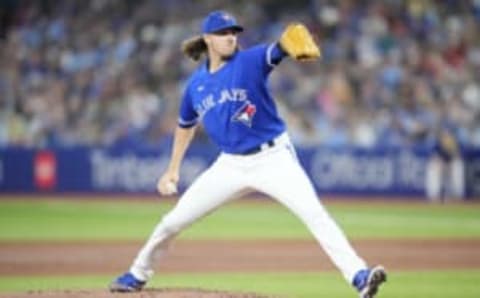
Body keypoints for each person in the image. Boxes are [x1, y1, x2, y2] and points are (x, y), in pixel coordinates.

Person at [109, 11, 387, 298]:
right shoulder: (195, 86)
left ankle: (359, 276)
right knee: (172, 221)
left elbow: (278, 48)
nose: (231, 37)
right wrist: (172, 169)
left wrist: (289, 42)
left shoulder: (250, 61)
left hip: (273, 158)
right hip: (229, 165)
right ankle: (136, 274)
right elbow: (185, 126)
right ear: (207, 39)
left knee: (314, 214)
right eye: (223, 33)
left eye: (234, 32)